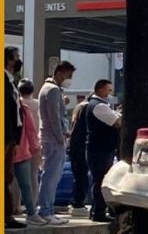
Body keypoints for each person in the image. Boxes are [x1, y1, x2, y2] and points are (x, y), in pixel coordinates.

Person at [36, 60, 76, 225]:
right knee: (51, 177)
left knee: (50, 176)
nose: (70, 78)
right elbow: (54, 117)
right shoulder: (52, 90)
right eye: (69, 75)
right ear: (60, 72)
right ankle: (46, 211)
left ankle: (47, 209)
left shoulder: (48, 88)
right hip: (53, 140)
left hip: (50, 138)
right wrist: (61, 138)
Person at [86, 79, 121, 222]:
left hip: (100, 149)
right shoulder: (98, 106)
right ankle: (99, 212)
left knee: (100, 180)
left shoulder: (101, 105)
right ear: (100, 90)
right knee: (101, 180)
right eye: (108, 90)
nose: (110, 93)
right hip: (100, 150)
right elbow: (116, 122)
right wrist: (120, 116)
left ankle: (97, 210)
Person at [14, 100, 47, 225]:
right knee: (26, 185)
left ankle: (31, 212)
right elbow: (31, 132)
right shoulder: (23, 109)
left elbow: (31, 131)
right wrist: (35, 149)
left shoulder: (23, 109)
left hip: (20, 152)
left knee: (25, 185)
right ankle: (31, 213)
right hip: (20, 152)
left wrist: (35, 148)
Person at [4, 47, 27, 229]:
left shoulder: (12, 81)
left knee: (8, 177)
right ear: (9, 60)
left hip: (11, 137)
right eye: (17, 56)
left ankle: (7, 216)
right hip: (6, 136)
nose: (19, 59)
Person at [67, 93, 92, 217]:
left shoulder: (79, 107)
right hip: (81, 146)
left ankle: (75, 202)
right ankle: (78, 203)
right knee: (82, 176)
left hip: (73, 145)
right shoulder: (88, 107)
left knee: (78, 176)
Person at [18, 79, 41, 207]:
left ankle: (16, 205)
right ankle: (32, 204)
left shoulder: (18, 104)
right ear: (32, 90)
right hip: (35, 143)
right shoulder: (37, 104)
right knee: (33, 175)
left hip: (19, 144)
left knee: (16, 178)